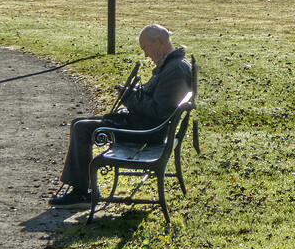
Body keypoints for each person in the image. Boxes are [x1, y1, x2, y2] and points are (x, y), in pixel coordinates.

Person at [49, 24, 194, 208]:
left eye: (146, 48)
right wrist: (133, 93)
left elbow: (159, 111)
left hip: (147, 133)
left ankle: (82, 194)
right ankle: (83, 188)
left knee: (82, 128)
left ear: (160, 42)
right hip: (144, 126)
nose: (146, 55)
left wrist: (129, 98)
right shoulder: (173, 65)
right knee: (79, 122)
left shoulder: (174, 70)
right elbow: (157, 103)